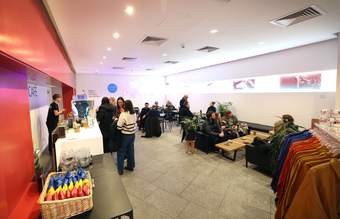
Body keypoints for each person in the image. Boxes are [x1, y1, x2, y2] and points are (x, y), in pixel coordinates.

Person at [117, 100, 137, 175]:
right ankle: (130, 166)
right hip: (132, 135)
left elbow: (119, 127)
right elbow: (135, 123)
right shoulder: (134, 113)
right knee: (130, 151)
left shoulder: (123, 114)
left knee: (121, 152)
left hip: (125, 135)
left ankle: (120, 170)